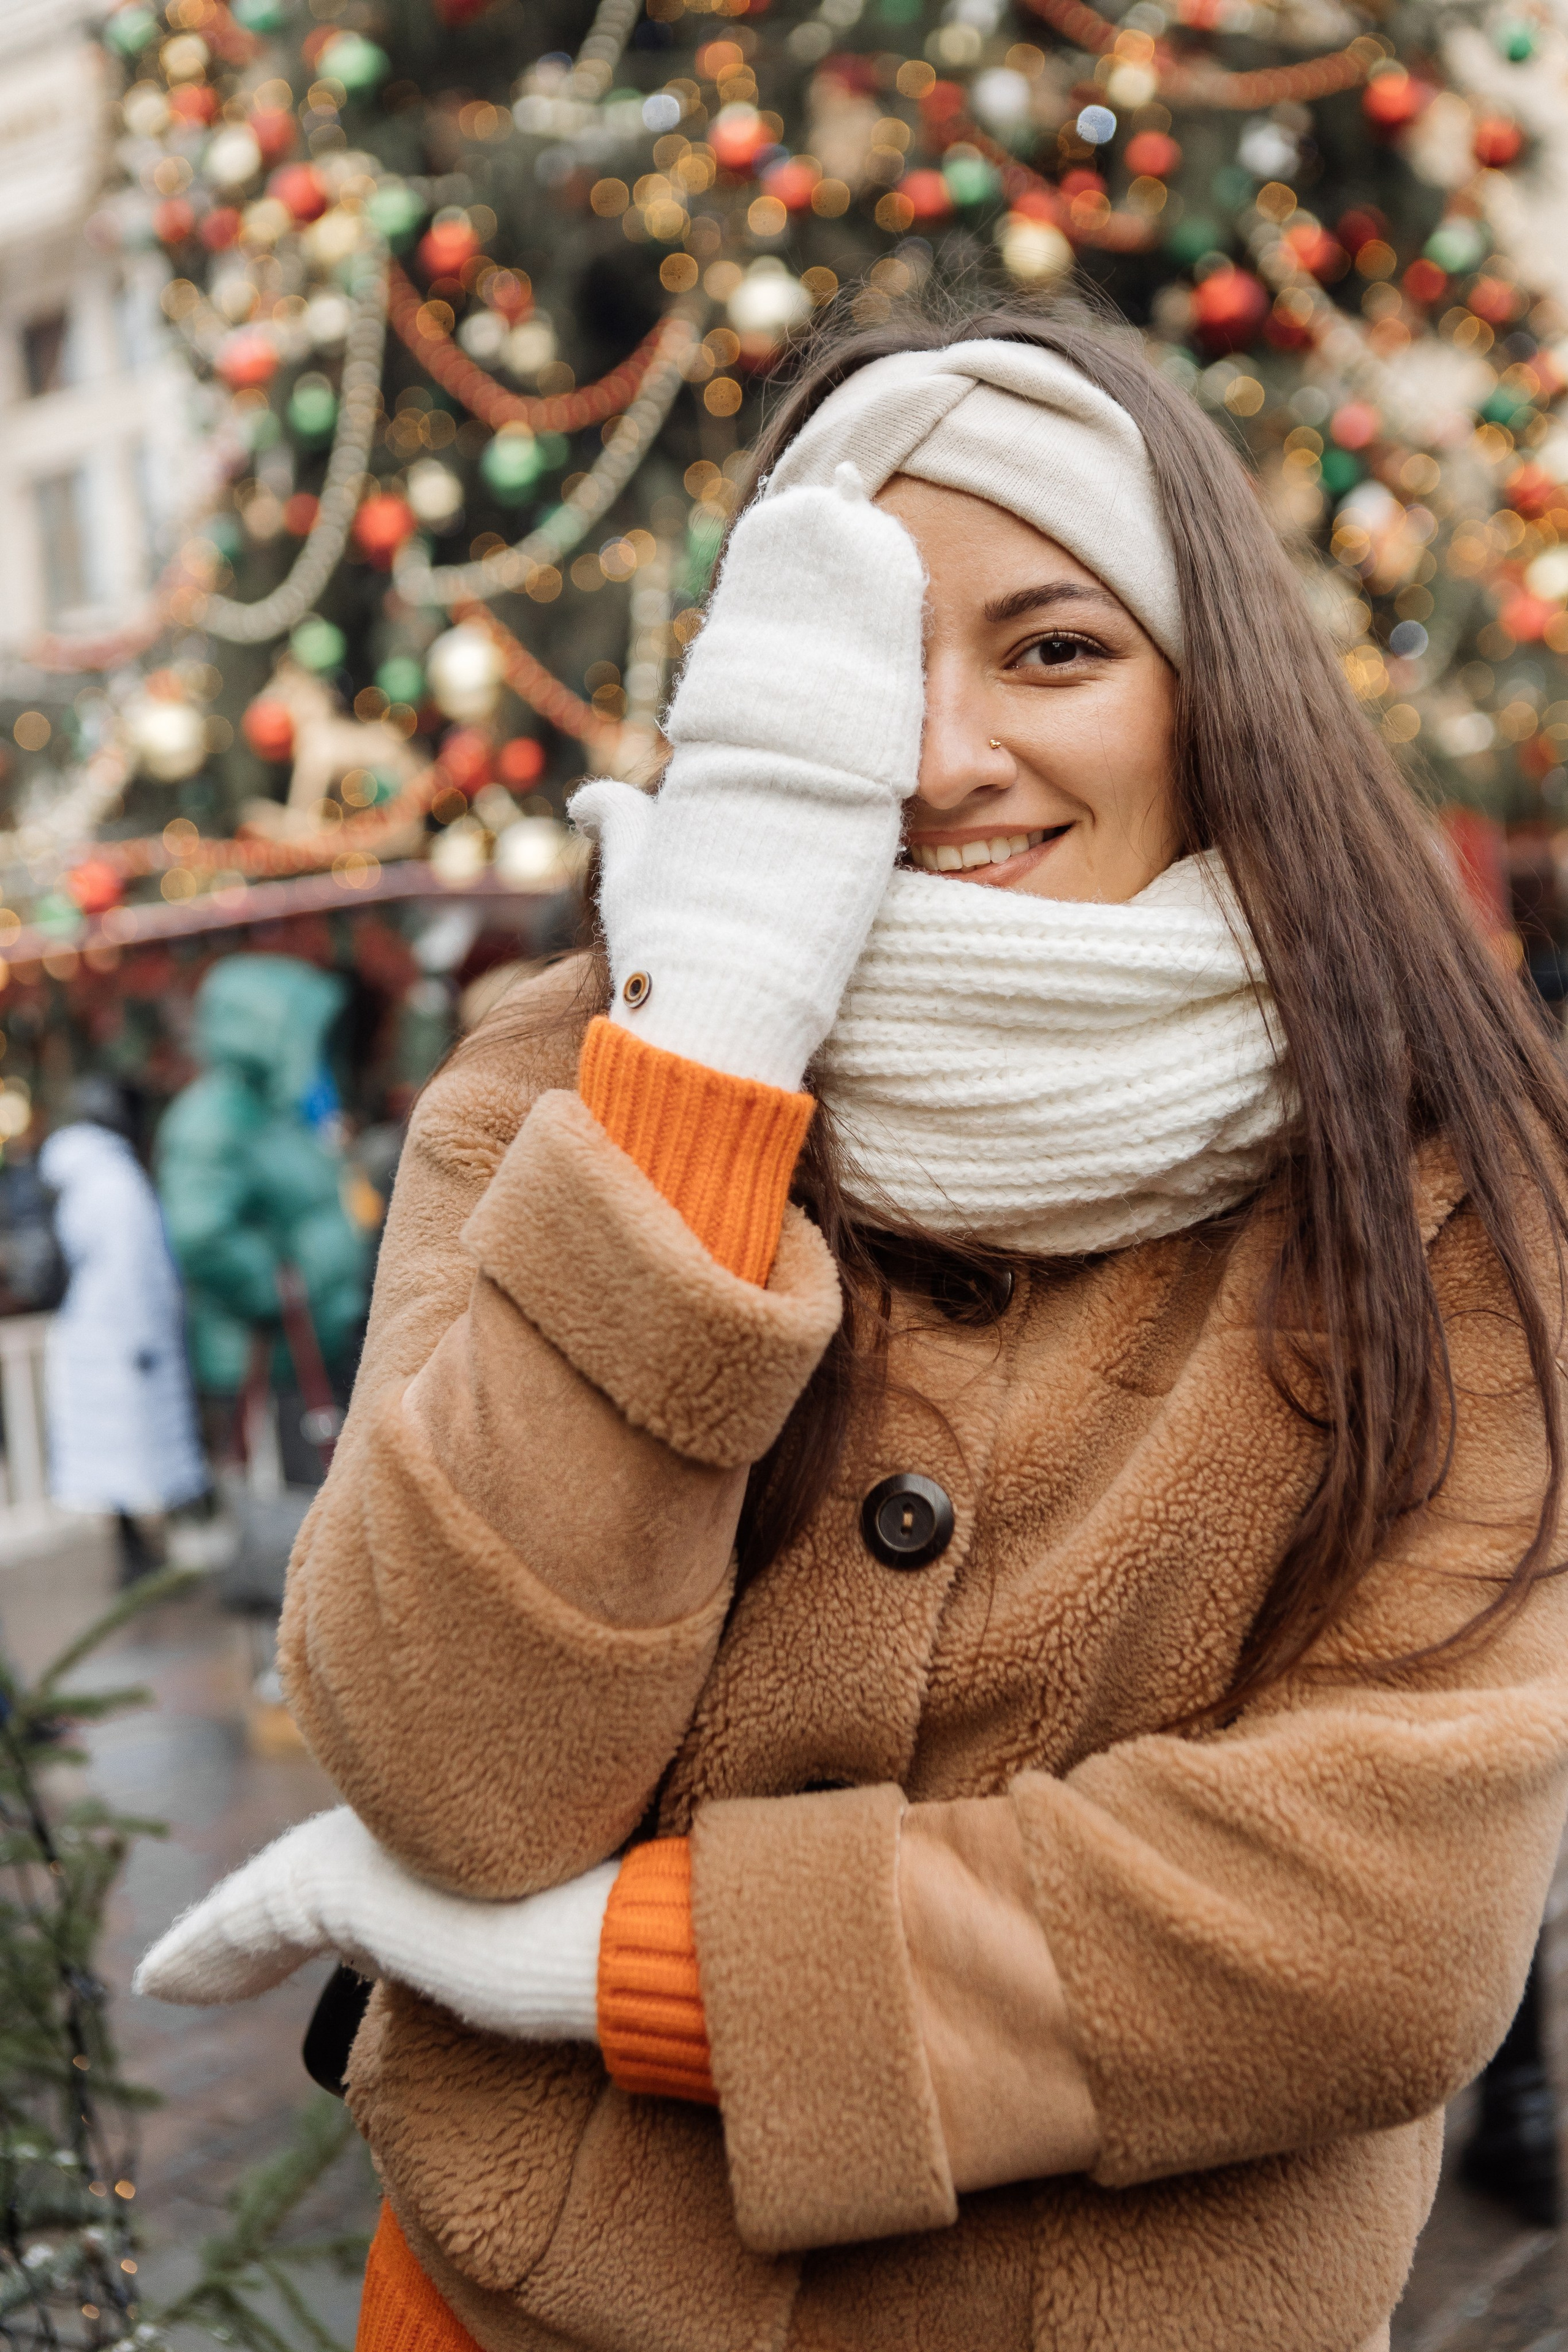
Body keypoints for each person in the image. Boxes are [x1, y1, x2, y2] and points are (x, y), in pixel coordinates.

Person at [136, 314, 1568, 2352]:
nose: (937, 757)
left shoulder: (1437, 1178)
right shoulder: (567, 1083)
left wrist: (608, 1958)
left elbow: (1382, 1924)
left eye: (1053, 649)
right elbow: (455, 1764)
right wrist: (707, 1058)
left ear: (1209, 695)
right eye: (860, 671)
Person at [39, 1077, 206, 1578]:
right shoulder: (114, 1181)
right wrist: (144, 1338)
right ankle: (146, 1563)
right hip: (124, 1337)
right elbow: (134, 1269)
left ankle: (141, 1557)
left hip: (96, 1333)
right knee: (135, 1452)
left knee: (118, 1456)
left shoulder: (84, 1179)